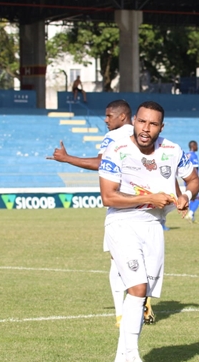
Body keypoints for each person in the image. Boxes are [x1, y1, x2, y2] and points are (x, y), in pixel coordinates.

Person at [98, 100, 199, 362]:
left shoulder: (173, 150)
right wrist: (149, 198)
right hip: (122, 222)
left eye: (153, 124)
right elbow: (108, 197)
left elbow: (194, 180)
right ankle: (132, 357)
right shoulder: (116, 150)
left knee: (141, 294)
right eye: (142, 122)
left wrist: (185, 198)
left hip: (155, 226)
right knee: (137, 286)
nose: (146, 129)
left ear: (161, 127)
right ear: (134, 122)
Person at [48, 100, 156, 327]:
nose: (106, 120)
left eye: (109, 116)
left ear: (123, 117)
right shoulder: (144, 135)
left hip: (121, 205)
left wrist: (67, 159)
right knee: (142, 259)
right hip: (147, 207)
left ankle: (122, 314)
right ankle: (141, 300)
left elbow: (100, 162)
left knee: (117, 261)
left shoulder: (115, 136)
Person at [184, 140, 199, 224]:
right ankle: (190, 214)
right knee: (198, 197)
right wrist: (196, 181)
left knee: (191, 198)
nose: (197, 147)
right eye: (196, 145)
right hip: (193, 180)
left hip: (186, 180)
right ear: (193, 146)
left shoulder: (186, 155)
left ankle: (192, 218)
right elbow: (194, 169)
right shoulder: (193, 155)